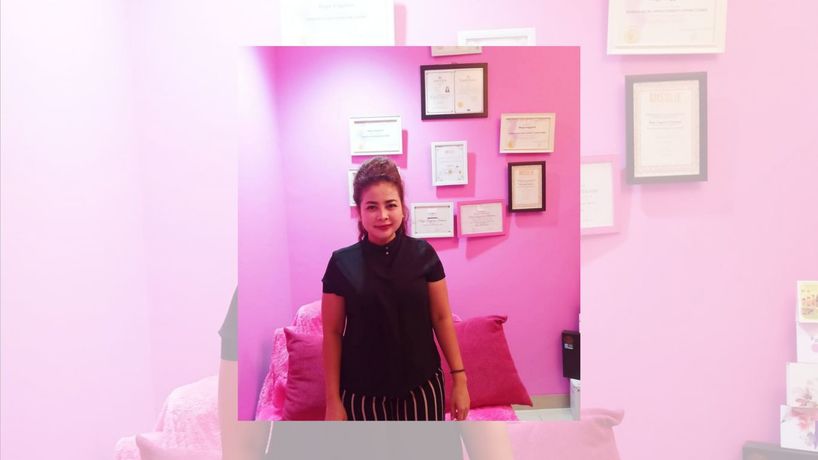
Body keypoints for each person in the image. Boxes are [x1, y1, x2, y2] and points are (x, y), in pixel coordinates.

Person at [322, 156, 470, 421]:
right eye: (372, 207)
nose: (383, 215)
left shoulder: (424, 255)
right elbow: (332, 333)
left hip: (421, 386)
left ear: (402, 208)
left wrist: (460, 379)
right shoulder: (341, 263)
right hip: (361, 393)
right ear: (359, 212)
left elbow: (441, 318)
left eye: (391, 205)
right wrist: (332, 400)